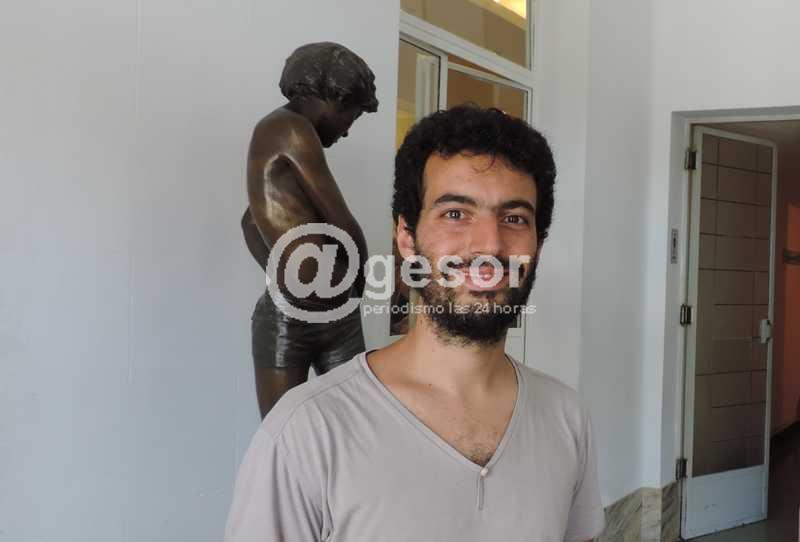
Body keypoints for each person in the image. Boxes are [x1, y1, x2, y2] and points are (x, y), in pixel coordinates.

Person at [225, 105, 606, 541]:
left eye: (514, 218)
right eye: (455, 213)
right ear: (406, 238)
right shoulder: (306, 432)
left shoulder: (566, 418)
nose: (489, 244)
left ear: (537, 244)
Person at [241, 42, 378, 418]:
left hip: (325, 311)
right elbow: (342, 222)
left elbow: (249, 221)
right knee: (287, 435)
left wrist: (288, 276)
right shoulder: (291, 129)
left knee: (350, 426)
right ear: (333, 98)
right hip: (306, 316)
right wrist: (362, 283)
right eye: (350, 116)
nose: (347, 131)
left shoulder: (276, 131)